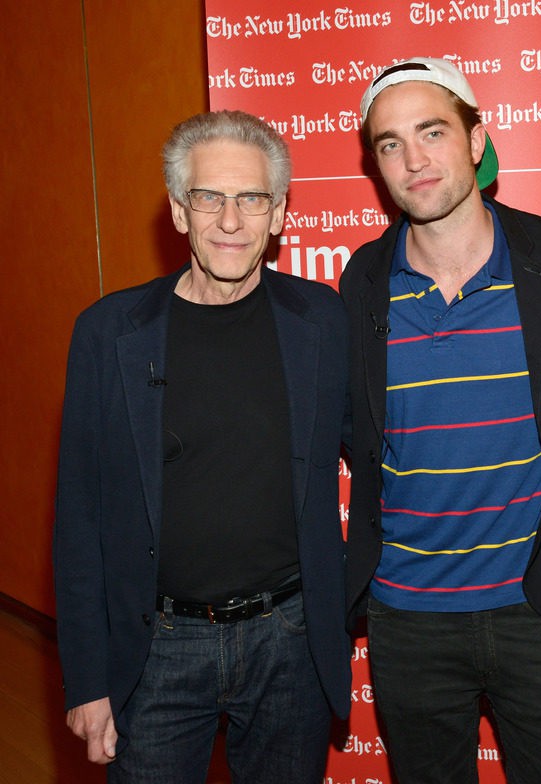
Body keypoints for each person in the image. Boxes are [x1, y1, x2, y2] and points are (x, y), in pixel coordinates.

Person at [340, 57, 541, 783]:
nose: (413, 159)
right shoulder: (361, 283)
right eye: (390, 143)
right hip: (407, 618)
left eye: (432, 131)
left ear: (476, 140)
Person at [53, 109, 350, 783]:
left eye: (250, 199)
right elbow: (79, 517)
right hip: (155, 649)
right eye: (209, 198)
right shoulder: (109, 333)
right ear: (179, 211)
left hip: (290, 643)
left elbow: (383, 445)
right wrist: (86, 680)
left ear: (278, 214)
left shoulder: (322, 320)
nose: (229, 221)